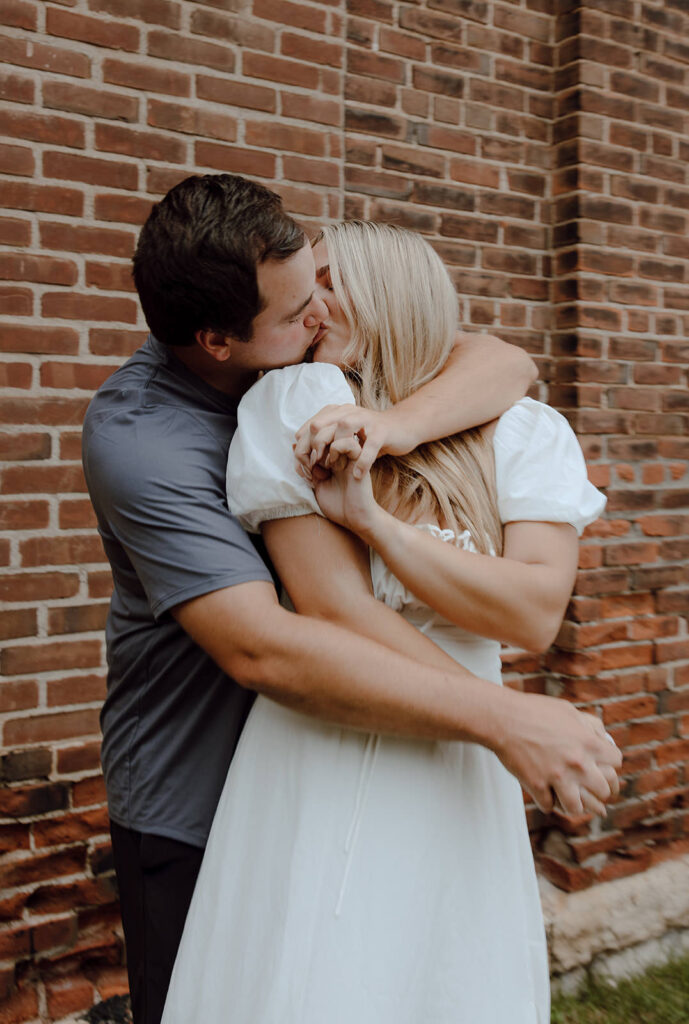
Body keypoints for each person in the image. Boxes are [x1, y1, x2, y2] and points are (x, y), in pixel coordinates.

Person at [81, 173, 561, 1024]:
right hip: (197, 784)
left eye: (322, 286)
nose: (319, 315)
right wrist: (502, 718)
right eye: (299, 306)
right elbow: (266, 644)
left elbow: (503, 359)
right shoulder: (144, 442)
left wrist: (401, 427)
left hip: (364, 741)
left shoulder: (318, 371)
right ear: (219, 341)